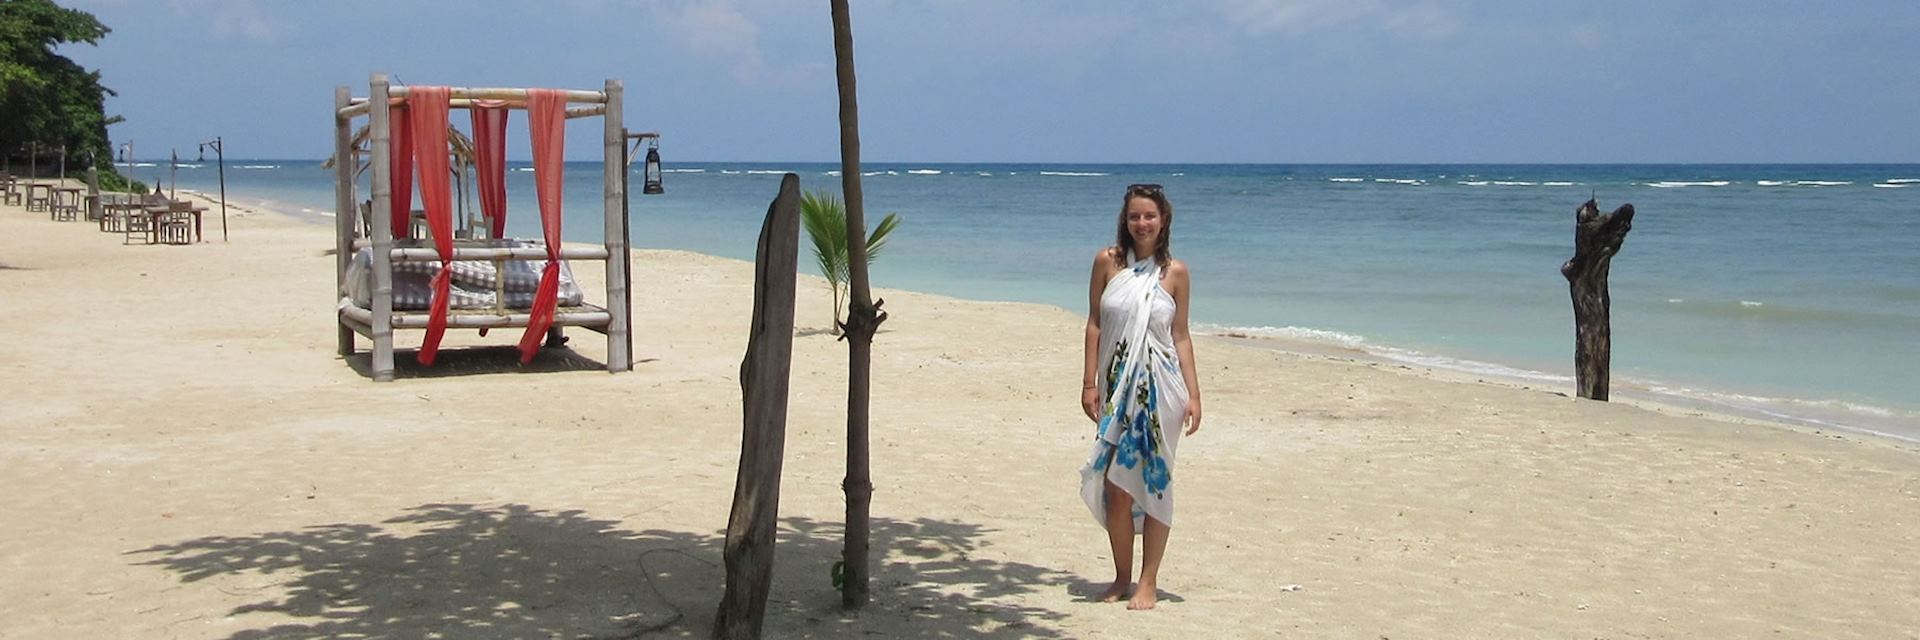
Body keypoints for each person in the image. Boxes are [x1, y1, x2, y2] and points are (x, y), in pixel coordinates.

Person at [1078, 183, 1202, 610]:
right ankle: (1120, 577)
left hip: (1163, 393)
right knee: (1116, 487)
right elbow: (1094, 323)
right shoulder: (1108, 263)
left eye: (1150, 215)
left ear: (1163, 219)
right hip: (1115, 391)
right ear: (1125, 220)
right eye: (1135, 216)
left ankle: (1148, 582)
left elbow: (1181, 336)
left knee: (1154, 484)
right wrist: (1089, 383)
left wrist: (1195, 395)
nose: (1142, 223)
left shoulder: (1176, 273)